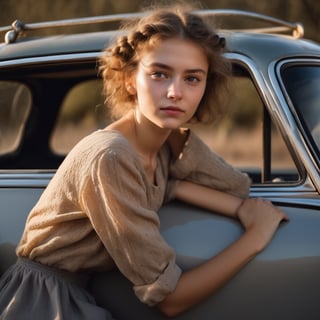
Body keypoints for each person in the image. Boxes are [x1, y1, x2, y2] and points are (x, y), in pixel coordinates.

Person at [0, 4, 288, 319]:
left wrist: (236, 205)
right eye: (159, 74)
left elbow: (234, 186)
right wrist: (256, 238)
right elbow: (170, 300)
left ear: (206, 88)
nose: (176, 92)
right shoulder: (111, 157)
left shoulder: (162, 149)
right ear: (129, 80)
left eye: (193, 79)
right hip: (42, 303)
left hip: (75, 295)